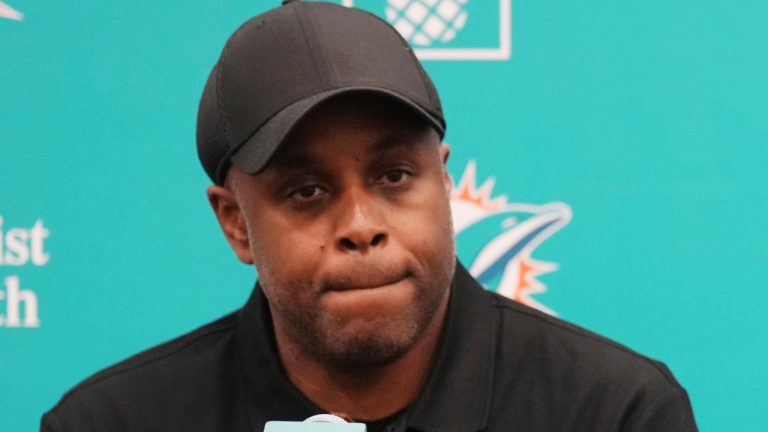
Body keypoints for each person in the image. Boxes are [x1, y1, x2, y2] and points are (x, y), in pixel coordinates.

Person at [41, 1, 698, 431]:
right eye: (305, 191)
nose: (361, 224)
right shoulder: (112, 423)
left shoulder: (615, 413)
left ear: (443, 181)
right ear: (236, 222)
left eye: (393, 176)